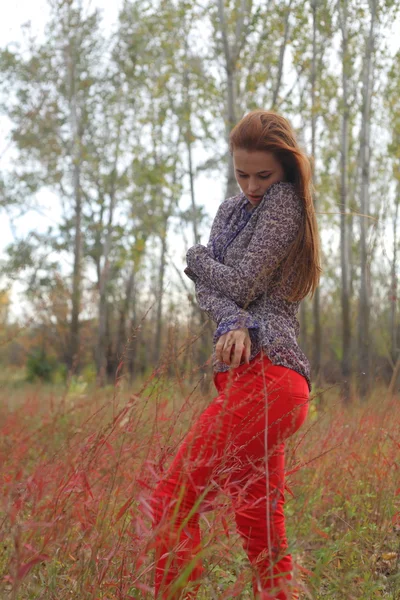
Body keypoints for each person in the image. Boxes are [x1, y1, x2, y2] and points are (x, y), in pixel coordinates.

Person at [148, 110, 321, 599]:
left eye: (263, 174)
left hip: (272, 378)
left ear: (285, 168)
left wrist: (195, 258)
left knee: (172, 501)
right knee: (261, 528)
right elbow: (218, 295)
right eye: (241, 174)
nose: (252, 185)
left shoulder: (286, 203)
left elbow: (241, 282)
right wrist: (233, 319)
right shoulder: (229, 213)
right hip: (240, 379)